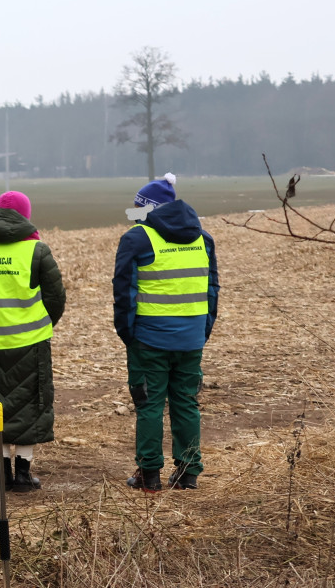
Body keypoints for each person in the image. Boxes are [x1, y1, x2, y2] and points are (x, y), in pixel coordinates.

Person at [113, 173, 219, 492]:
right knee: (186, 403)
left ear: (149, 208)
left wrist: (127, 334)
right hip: (191, 338)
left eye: (137, 207)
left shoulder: (137, 238)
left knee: (149, 405)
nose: (134, 212)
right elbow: (212, 289)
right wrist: (203, 330)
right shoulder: (203, 238)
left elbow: (123, 293)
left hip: (149, 339)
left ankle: (149, 476)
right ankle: (188, 474)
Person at [0, 191, 65, 493]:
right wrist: (42, 324)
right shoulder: (37, 250)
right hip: (30, 343)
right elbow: (56, 297)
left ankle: (3, 475)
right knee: (29, 406)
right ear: (26, 215)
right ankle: (23, 475)